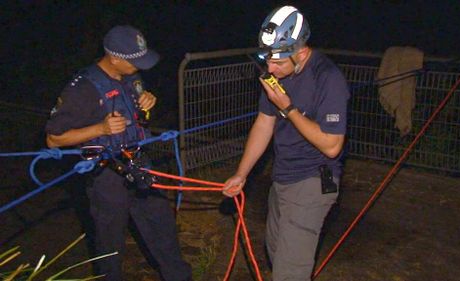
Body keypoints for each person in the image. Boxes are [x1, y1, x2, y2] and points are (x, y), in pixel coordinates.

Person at [45, 25, 192, 281]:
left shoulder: (131, 78)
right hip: (106, 176)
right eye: (135, 61)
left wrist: (147, 106)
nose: (141, 67)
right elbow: (53, 139)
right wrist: (99, 128)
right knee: (109, 246)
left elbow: (138, 120)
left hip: (139, 163)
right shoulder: (82, 88)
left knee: (162, 228)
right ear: (114, 58)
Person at [222, 6, 350, 281]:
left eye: (278, 63)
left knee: (289, 273)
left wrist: (288, 108)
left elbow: (331, 146)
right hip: (282, 178)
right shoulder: (275, 75)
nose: (270, 69)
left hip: (314, 181)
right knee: (276, 251)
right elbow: (264, 123)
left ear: (301, 53)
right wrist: (241, 173)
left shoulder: (328, 79)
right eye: (266, 60)